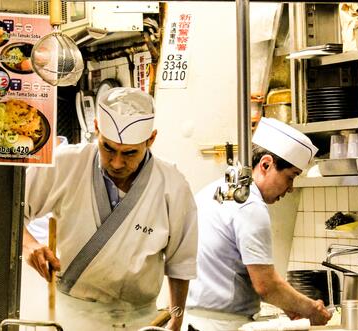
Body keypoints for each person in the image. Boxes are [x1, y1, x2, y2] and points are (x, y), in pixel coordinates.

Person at [22, 87, 198, 331]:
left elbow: (181, 263)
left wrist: (176, 320)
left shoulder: (173, 185)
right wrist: (30, 245)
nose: (117, 162)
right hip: (72, 317)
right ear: (96, 128)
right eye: (108, 148)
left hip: (140, 320)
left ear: (151, 139)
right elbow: (11, 214)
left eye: (129, 153)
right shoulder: (65, 164)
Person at [183, 118, 332, 331]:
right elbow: (266, 285)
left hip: (193, 321)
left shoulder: (214, 191)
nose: (290, 188)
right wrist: (310, 310)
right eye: (290, 177)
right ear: (266, 164)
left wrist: (290, 305)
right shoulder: (250, 205)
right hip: (224, 325)